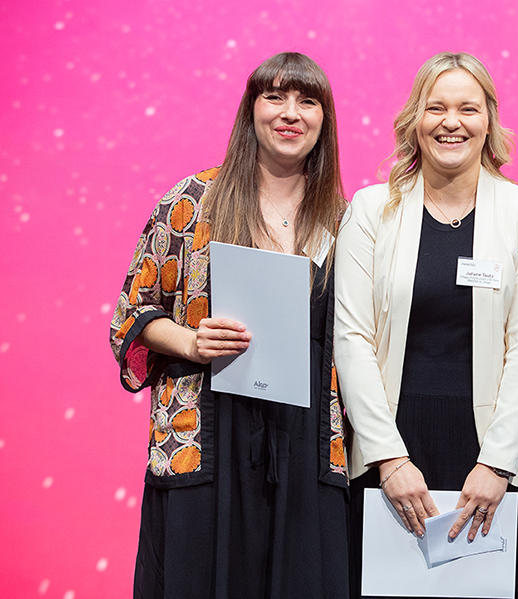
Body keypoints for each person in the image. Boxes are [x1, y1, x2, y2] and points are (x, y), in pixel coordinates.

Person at [109, 52, 349, 599]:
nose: (291, 113)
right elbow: (134, 312)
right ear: (251, 110)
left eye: (307, 101)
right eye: (275, 97)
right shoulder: (191, 202)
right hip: (207, 433)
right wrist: (191, 342)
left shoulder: (344, 217)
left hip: (308, 439)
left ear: (324, 119)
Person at [334, 52, 518, 599]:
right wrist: (388, 458)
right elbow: (352, 338)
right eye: (436, 107)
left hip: (492, 451)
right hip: (393, 447)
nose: (451, 122)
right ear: (415, 119)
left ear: (489, 120)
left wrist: (498, 465)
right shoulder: (369, 210)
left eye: (467, 108)